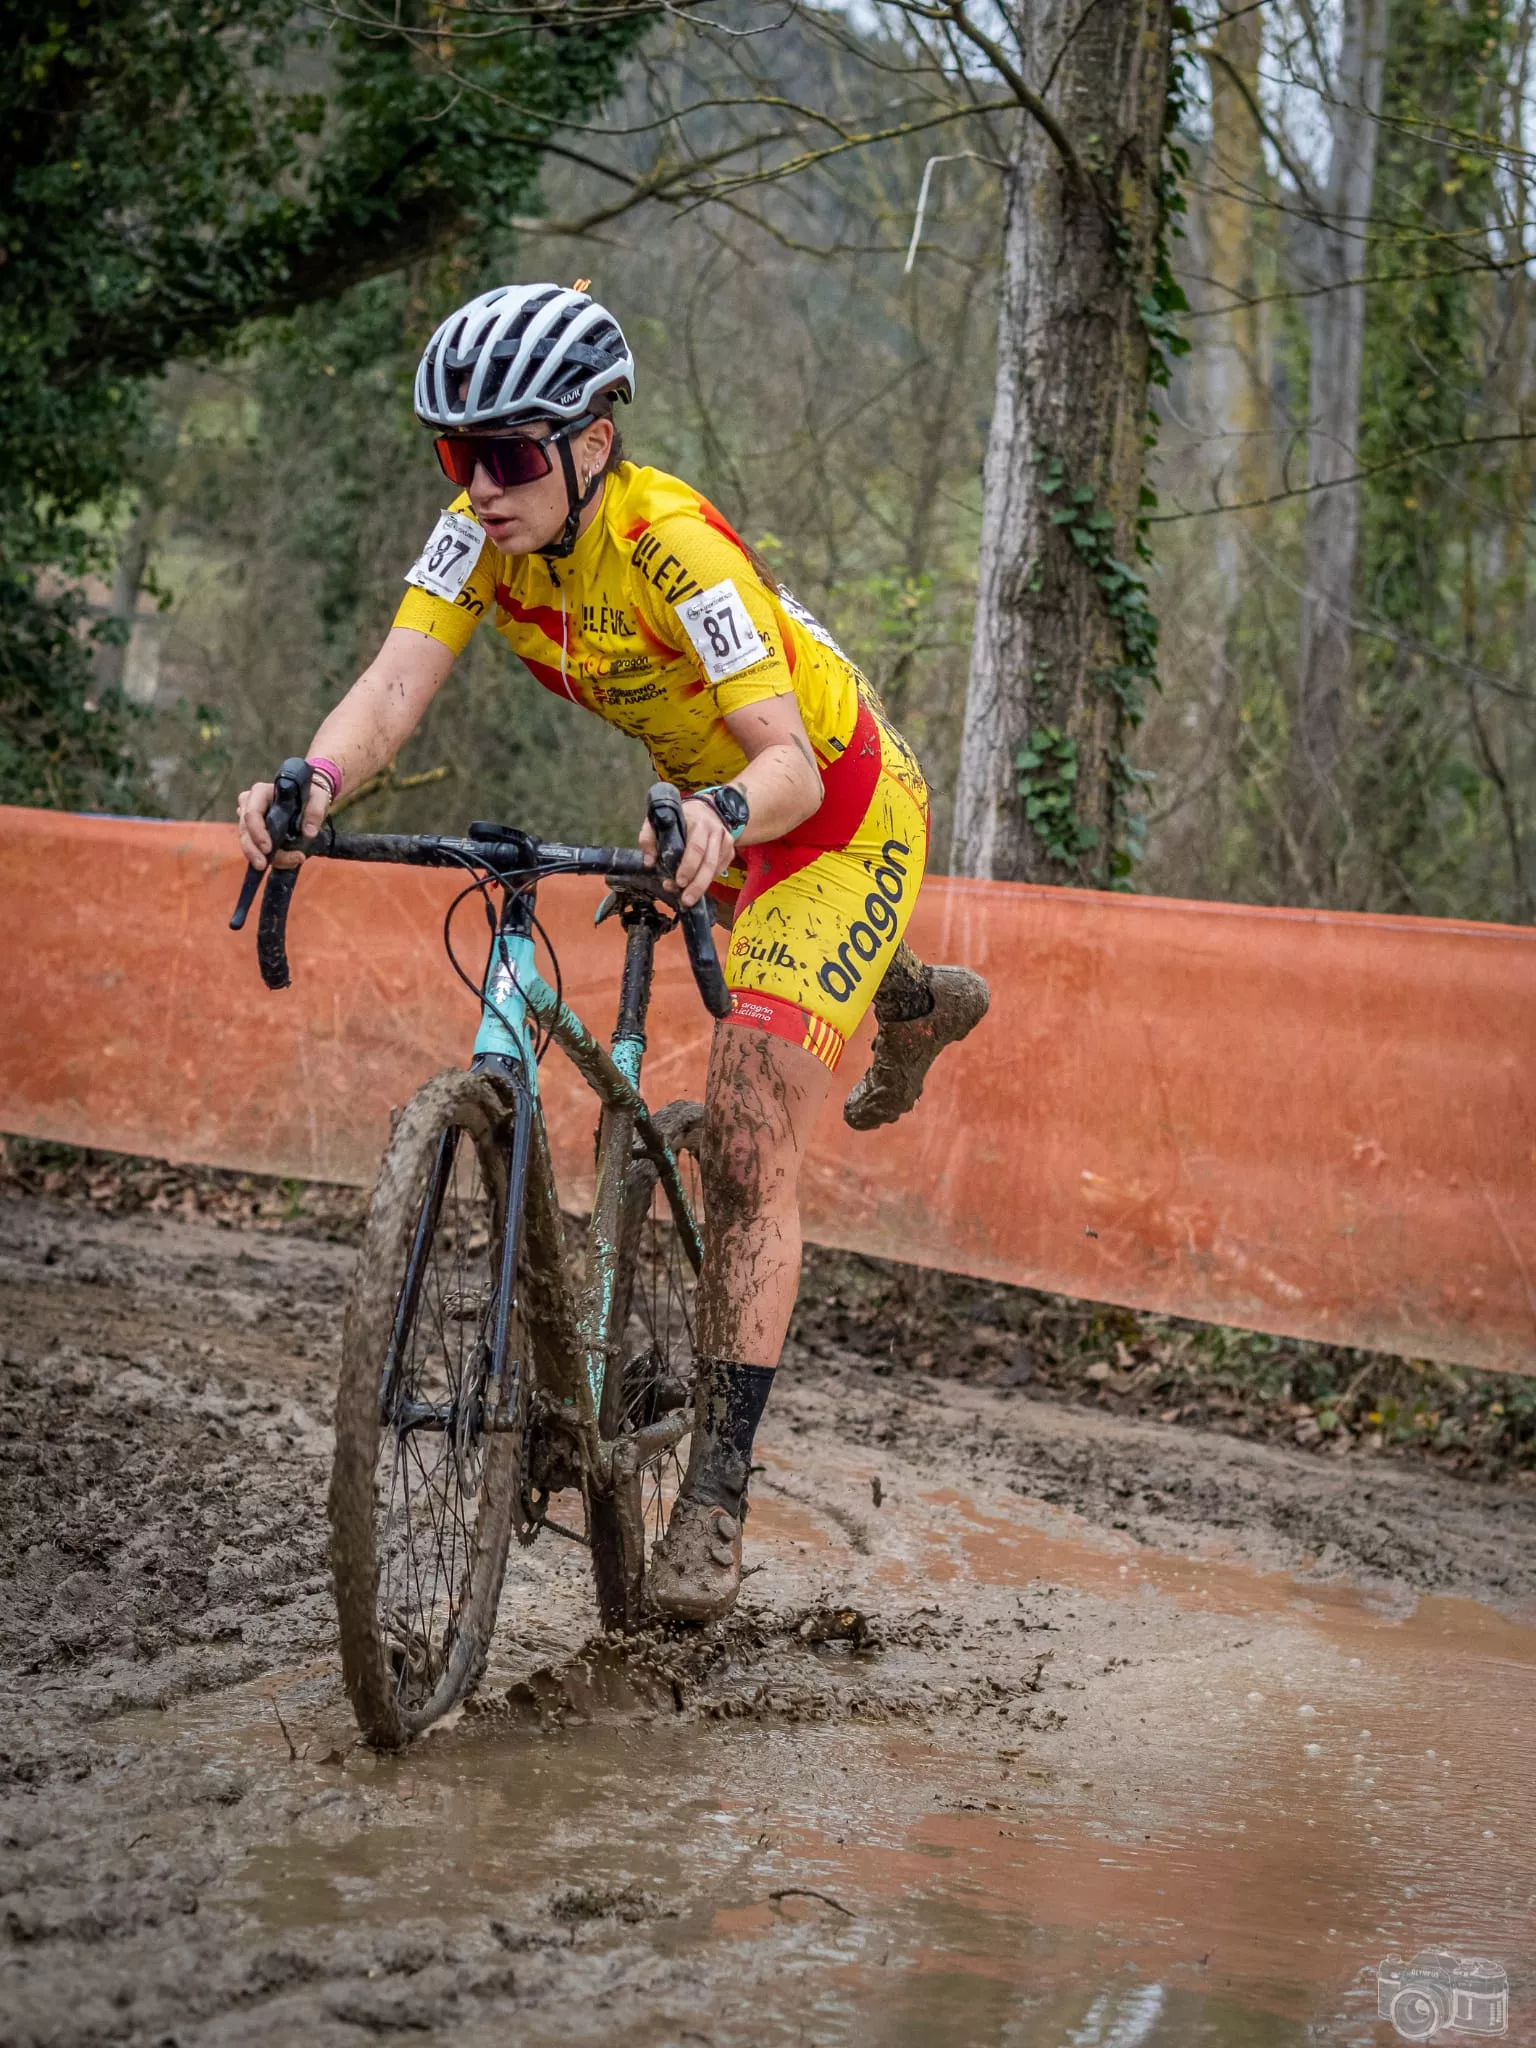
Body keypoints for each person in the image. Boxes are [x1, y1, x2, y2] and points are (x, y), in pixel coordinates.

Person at [237, 282, 988, 1622]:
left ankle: (716, 1493)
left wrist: (713, 822)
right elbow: (396, 689)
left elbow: (790, 769)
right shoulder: (480, 538)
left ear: (593, 441)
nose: (479, 484)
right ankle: (902, 992)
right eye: (453, 453)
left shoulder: (673, 547)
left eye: (510, 455)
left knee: (753, 1136)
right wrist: (316, 782)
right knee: (689, 1059)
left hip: (830, 810)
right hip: (698, 813)